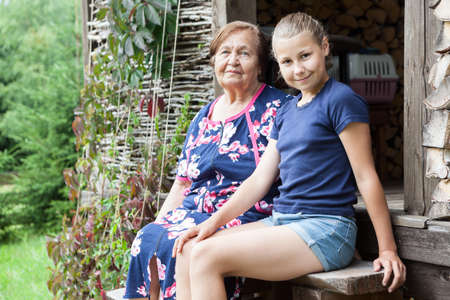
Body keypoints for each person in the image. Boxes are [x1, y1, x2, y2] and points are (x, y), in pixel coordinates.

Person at [173, 12, 407, 300]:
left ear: (324, 47)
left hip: (326, 227)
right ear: (277, 63)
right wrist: (213, 222)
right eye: (287, 62)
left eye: (305, 55)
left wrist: (387, 249)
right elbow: (260, 179)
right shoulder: (285, 111)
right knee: (189, 250)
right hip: (282, 221)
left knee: (206, 256)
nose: (298, 69)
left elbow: (366, 176)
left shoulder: (341, 100)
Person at [124, 21, 291, 300]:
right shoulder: (204, 116)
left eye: (244, 53)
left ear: (260, 65)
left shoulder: (278, 108)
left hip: (242, 215)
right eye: (225, 52)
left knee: (185, 245)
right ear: (214, 60)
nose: (233, 61)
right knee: (148, 239)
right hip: (192, 211)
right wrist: (158, 225)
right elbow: (182, 184)